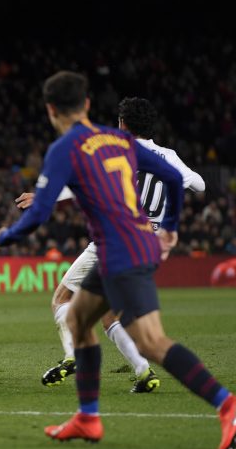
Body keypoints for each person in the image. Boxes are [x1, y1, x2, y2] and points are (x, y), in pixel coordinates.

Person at [0, 71, 236, 449]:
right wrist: (170, 228)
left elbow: (38, 214)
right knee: (79, 319)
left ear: (51, 110)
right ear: (87, 104)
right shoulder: (117, 140)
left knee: (151, 341)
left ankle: (228, 404)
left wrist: (2, 238)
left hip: (121, 250)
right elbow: (173, 177)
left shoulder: (65, 148)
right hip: (132, 245)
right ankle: (88, 417)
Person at [21, 97, 206, 393]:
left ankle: (72, 355)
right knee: (109, 314)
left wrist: (43, 197)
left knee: (62, 298)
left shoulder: (119, 151)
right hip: (148, 247)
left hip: (114, 240)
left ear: (122, 124)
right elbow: (199, 184)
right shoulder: (168, 156)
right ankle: (143, 373)